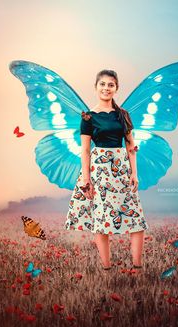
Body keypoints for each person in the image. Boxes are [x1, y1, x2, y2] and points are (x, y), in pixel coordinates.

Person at [64, 69, 149, 270]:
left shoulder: (123, 115)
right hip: (99, 170)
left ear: (116, 88)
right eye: (102, 84)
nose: (106, 88)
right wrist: (86, 180)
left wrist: (134, 173)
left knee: (136, 220)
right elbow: (85, 150)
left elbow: (131, 147)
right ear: (96, 87)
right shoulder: (88, 118)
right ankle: (107, 269)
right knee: (101, 222)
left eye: (111, 85)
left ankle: (137, 268)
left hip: (121, 170)